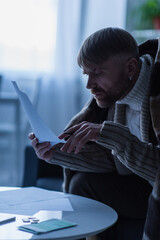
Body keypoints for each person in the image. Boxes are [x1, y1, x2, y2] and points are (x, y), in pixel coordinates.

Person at [29, 27, 160, 240]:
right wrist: (56, 153)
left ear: (130, 68)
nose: (89, 85)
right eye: (86, 74)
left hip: (155, 188)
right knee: (82, 183)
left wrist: (114, 136)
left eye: (97, 72)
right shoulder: (117, 98)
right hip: (139, 186)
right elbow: (114, 161)